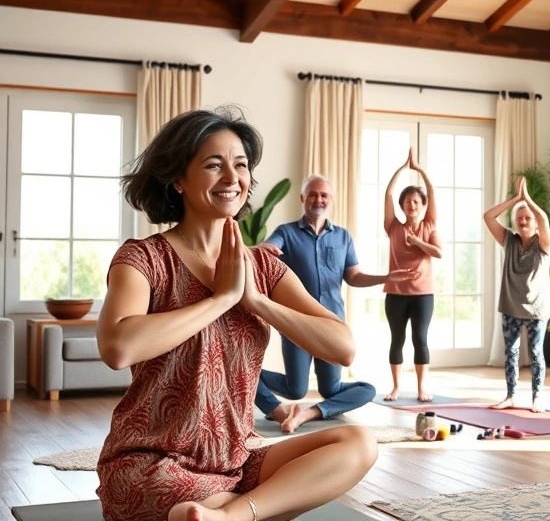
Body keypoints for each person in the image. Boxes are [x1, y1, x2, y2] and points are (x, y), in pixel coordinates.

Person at [95, 108, 377, 521]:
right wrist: (221, 299)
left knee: (359, 443)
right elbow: (118, 348)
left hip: (237, 462)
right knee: (198, 503)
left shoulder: (263, 268)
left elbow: (343, 348)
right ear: (178, 180)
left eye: (240, 165)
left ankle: (231, 515)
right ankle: (233, 512)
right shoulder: (143, 258)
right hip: (153, 463)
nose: (232, 178)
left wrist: (257, 302)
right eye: (214, 165)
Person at [254, 174, 419, 433]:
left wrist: (386, 277)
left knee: (337, 389)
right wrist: (263, 247)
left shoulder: (343, 237)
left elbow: (353, 277)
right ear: (302, 199)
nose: (318, 199)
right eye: (312, 194)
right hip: (298, 326)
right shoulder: (286, 232)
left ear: (331, 200)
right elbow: (268, 248)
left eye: (323, 195)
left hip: (332, 327)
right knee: (295, 389)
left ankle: (309, 414)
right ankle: (277, 410)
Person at [484, 176, 550, 413]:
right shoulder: (509, 241)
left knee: (536, 353)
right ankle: (511, 396)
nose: (524, 221)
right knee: (511, 353)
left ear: (535, 224)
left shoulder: (545, 244)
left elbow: (544, 218)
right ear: (514, 223)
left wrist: (528, 200)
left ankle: (537, 397)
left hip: (537, 308)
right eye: (519, 218)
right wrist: (515, 200)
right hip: (511, 306)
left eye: (528, 219)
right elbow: (488, 216)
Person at [382, 148, 442, 402]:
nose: (412, 204)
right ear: (402, 205)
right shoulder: (393, 226)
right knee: (397, 340)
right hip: (395, 294)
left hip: (422, 294)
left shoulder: (430, 225)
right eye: (407, 201)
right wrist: (402, 169)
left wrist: (419, 171)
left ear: (423, 205)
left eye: (416, 201)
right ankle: (396, 388)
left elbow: (438, 252)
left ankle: (421, 389)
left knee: (420, 339)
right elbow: (388, 193)